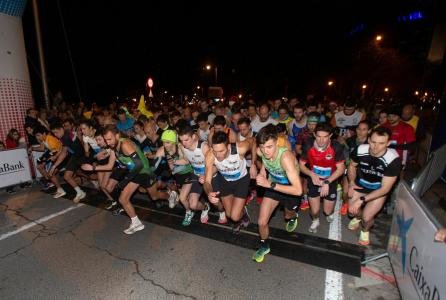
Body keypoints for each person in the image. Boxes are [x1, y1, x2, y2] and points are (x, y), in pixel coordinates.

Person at [252, 124, 303, 262]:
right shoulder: (260, 151)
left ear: (276, 142)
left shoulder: (285, 157)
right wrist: (262, 173)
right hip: (273, 186)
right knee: (261, 221)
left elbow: (298, 190)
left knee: (287, 215)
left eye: (269, 147)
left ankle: (293, 216)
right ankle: (264, 244)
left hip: (290, 189)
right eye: (262, 147)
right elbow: (264, 162)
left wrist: (269, 184)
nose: (265, 151)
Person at [347, 126, 402, 245]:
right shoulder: (360, 149)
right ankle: (358, 217)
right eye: (373, 142)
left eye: (381, 143)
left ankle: (365, 230)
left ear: (388, 143)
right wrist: (351, 182)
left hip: (378, 190)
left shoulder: (393, 159)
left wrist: (361, 200)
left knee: (367, 218)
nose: (375, 146)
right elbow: (351, 166)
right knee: (351, 212)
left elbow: (385, 188)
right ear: (369, 140)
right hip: (360, 185)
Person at [100, 125, 156, 234]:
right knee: (124, 199)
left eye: (109, 139)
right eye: (105, 140)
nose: (107, 143)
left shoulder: (125, 144)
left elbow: (139, 164)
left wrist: (125, 181)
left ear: (117, 135)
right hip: (135, 172)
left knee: (155, 196)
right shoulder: (114, 146)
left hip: (142, 171)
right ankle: (136, 223)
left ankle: (169, 193)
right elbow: (126, 162)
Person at [204, 131, 254, 233]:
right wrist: (209, 192)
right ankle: (242, 211)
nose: (218, 155)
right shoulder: (210, 155)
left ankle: (242, 214)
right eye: (215, 151)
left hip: (241, 180)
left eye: (221, 151)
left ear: (228, 146)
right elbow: (207, 181)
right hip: (224, 180)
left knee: (235, 217)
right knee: (228, 215)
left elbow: (253, 141)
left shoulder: (240, 147)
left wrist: (253, 164)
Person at [299, 123, 345, 233]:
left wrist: (327, 182)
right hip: (314, 179)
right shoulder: (308, 145)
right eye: (319, 136)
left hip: (330, 180)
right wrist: (311, 174)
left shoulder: (336, 147)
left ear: (330, 136)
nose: (321, 140)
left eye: (325, 137)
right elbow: (300, 165)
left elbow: (341, 169)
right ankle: (315, 220)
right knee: (314, 211)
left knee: (327, 211)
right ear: (314, 135)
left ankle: (330, 212)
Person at [177, 126, 212, 225]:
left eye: (186, 140)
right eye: (181, 140)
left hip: (209, 175)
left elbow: (212, 163)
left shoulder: (203, 146)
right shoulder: (183, 147)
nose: (184, 143)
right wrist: (175, 162)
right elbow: (187, 161)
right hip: (195, 175)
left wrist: (206, 175)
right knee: (192, 205)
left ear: (193, 137)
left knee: (217, 202)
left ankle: (222, 211)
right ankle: (205, 207)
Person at [50, 122, 87, 202]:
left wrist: (54, 166)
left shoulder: (66, 136)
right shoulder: (64, 135)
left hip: (80, 156)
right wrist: (56, 156)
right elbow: (62, 148)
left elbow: (64, 153)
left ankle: (87, 183)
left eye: (56, 132)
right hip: (74, 156)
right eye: (54, 133)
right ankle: (80, 192)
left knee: (90, 175)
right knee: (67, 176)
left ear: (61, 129)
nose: (55, 135)